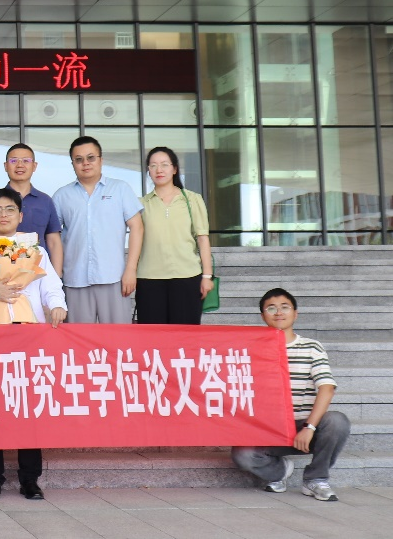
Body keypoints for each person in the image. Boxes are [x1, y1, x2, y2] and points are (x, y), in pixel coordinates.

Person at [0, 188, 67, 501]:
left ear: (21, 216)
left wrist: (57, 305)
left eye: (9, 209)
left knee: (27, 405)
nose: (3, 215)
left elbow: (51, 285)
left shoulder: (35, 250)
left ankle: (30, 478)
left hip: (27, 333)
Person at [231, 288, 349, 502]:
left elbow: (327, 387)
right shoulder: (251, 350)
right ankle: (279, 472)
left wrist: (309, 427)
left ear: (295, 313)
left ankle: (316, 479)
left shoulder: (311, 347)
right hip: (269, 428)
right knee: (243, 454)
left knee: (337, 421)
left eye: (284, 307)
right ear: (263, 316)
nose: (278, 312)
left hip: (304, 426)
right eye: (271, 308)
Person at [52, 136, 143, 324]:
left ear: (101, 160)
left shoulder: (120, 189)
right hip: (74, 279)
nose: (85, 163)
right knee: (78, 338)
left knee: (118, 337)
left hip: (114, 278)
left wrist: (131, 269)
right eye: (79, 159)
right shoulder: (61, 196)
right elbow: (53, 236)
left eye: (91, 157)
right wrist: (56, 277)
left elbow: (137, 227)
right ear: (73, 163)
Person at [136, 147, 214, 325]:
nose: (159, 170)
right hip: (149, 278)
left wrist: (207, 276)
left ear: (174, 169)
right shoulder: (141, 204)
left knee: (186, 335)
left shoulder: (192, 199)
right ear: (148, 170)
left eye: (164, 165)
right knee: (153, 336)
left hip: (187, 276)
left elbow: (202, 238)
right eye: (153, 165)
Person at [0, 143, 63, 272]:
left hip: (38, 273)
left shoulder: (45, 201)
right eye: (13, 161)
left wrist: (56, 276)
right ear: (5, 166)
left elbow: (54, 242)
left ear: (34, 166)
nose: (19, 165)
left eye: (26, 161)